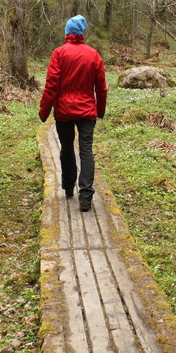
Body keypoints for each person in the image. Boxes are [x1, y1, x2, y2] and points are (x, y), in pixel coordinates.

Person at [39, 15, 107, 212]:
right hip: (87, 111)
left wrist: (44, 111)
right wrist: (100, 110)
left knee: (67, 147)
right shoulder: (93, 54)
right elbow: (101, 87)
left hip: (64, 111)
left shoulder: (59, 53)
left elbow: (51, 85)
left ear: (68, 32)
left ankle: (69, 187)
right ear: (82, 33)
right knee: (86, 149)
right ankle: (85, 195)